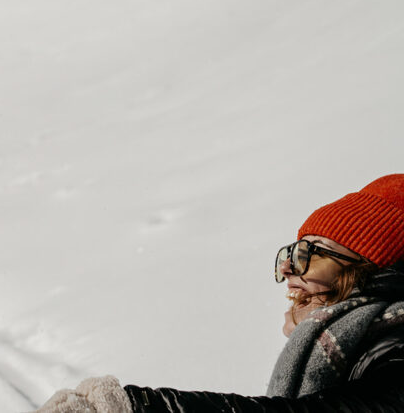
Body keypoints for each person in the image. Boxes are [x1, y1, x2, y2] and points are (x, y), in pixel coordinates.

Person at [32, 174, 404, 412]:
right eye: (288, 254)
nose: (288, 268)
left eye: (309, 254)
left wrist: (138, 408)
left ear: (370, 268)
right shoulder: (354, 346)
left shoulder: (394, 346)